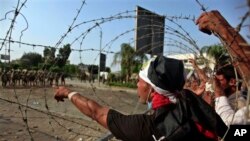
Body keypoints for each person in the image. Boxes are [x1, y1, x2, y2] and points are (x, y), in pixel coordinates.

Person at [54, 55, 227, 141]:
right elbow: (229, 132)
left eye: (139, 81)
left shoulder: (147, 126)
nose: (137, 85)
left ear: (151, 89)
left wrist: (68, 93)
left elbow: (96, 112)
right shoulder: (188, 100)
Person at [196, 10, 249, 125]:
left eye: (220, 80)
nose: (216, 82)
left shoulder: (238, 103)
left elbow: (230, 126)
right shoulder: (232, 99)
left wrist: (219, 92)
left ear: (233, 82)